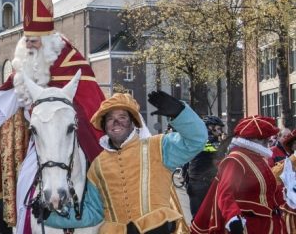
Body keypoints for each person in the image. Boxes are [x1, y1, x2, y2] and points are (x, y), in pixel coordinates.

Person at [0, 0, 105, 231]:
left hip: (71, 133)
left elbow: (91, 101)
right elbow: (3, 101)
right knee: (25, 184)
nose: (30, 44)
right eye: (27, 38)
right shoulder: (25, 65)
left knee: (105, 175)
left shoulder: (70, 58)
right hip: (39, 138)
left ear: (49, 39)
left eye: (36, 39)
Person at [44, 92, 207, 233]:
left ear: (133, 122)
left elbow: (196, 140)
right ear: (104, 125)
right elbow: (92, 213)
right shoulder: (98, 166)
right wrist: (49, 216)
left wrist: (180, 113)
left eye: (122, 117)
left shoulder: (158, 147)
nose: (116, 122)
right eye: (110, 119)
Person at [191, 115, 285, 234]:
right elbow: (225, 193)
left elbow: (268, 189)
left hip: (267, 222)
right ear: (256, 139)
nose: (269, 141)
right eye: (265, 138)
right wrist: (233, 218)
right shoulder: (236, 159)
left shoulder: (259, 158)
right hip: (249, 225)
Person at [187, 115, 225, 217]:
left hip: (197, 182)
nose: (220, 131)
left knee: (199, 216)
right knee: (202, 217)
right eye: (218, 128)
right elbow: (219, 154)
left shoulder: (198, 138)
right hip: (201, 184)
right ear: (209, 127)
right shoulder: (207, 140)